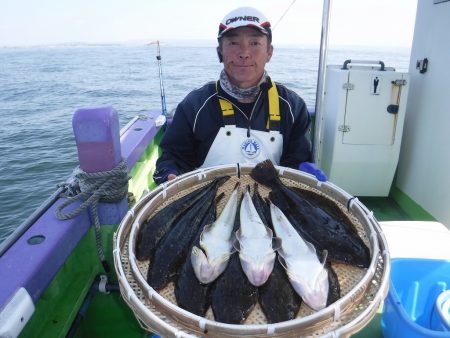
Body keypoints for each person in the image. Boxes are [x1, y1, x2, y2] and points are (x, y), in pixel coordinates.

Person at [153, 6, 327, 184]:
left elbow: (295, 161)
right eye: (233, 43)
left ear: (269, 52)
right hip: (208, 204)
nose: (244, 53)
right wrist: (169, 172)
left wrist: (302, 169)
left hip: (271, 203)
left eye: (254, 43)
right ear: (220, 51)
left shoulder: (292, 106)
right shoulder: (194, 105)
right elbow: (173, 156)